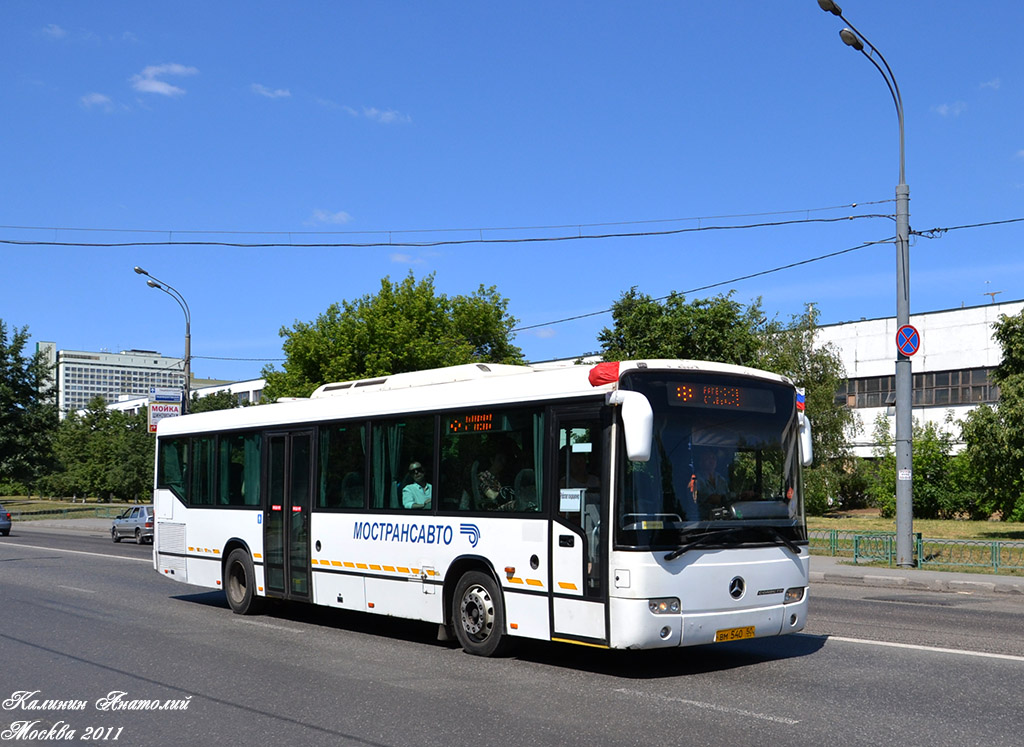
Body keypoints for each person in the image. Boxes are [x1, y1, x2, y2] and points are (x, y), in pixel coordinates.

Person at [689, 448, 729, 517]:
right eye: (707, 458)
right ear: (701, 462)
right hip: (702, 522)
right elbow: (710, 499)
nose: (712, 461)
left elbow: (729, 499)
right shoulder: (695, 480)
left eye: (713, 458)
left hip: (723, 521)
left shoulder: (721, 479)